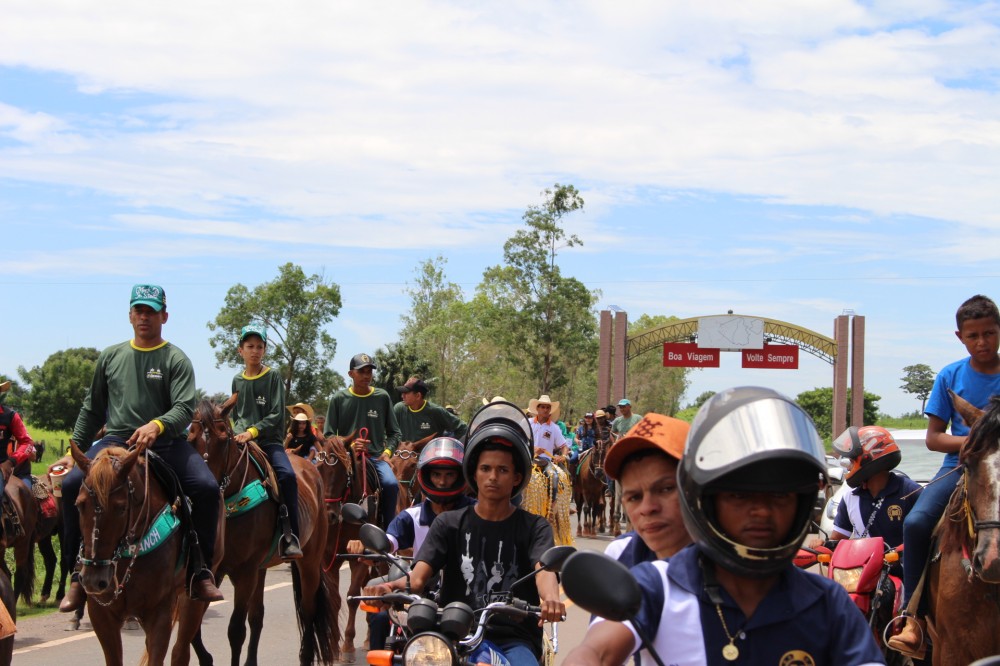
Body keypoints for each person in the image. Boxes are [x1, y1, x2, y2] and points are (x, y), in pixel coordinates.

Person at [564, 386, 884, 666]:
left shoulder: (827, 602)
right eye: (738, 494)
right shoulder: (654, 586)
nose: (760, 510)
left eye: (780, 494)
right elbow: (597, 651)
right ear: (707, 497)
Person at [54, 284, 224, 612]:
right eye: (139, 311)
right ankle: (76, 576)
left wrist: (157, 425)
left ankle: (199, 571)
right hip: (116, 439)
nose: (144, 317)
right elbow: (92, 408)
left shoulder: (175, 358)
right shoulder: (111, 357)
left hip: (166, 442)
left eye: (151, 311)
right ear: (130, 315)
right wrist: (74, 448)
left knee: (205, 488)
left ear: (164, 316)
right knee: (75, 484)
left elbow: (184, 408)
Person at [365, 401, 565, 666]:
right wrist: (388, 588)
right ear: (474, 473)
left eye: (502, 470)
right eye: (485, 469)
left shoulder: (535, 527)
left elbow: (545, 570)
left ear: (517, 478)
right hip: (453, 634)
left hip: (513, 637)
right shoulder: (449, 523)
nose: (493, 477)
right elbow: (419, 576)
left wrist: (550, 599)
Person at [888, 294, 1000, 658]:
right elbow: (934, 438)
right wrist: (974, 441)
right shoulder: (950, 376)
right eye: (974, 336)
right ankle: (912, 618)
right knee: (917, 522)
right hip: (960, 466)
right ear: (960, 337)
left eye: (989, 333)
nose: (982, 342)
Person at [346, 436, 475, 649]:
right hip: (420, 593)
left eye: (450, 474)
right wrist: (366, 545)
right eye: (436, 474)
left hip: (470, 595)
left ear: (461, 476)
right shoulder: (411, 516)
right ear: (426, 475)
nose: (442, 481)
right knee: (380, 620)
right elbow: (389, 541)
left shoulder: (476, 513)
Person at [231, 324, 302, 559]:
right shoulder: (237, 380)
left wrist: (252, 432)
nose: (255, 351)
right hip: (241, 441)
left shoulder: (272, 376)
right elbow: (235, 415)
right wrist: (237, 433)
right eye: (250, 346)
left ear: (264, 351)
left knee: (287, 476)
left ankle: (291, 535)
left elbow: (276, 415)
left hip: (268, 442)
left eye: (259, 347)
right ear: (240, 350)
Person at [808, 427, 920, 571]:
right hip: (863, 573)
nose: (847, 465)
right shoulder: (850, 497)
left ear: (869, 458)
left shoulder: (910, 491)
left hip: (903, 575)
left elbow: (927, 536)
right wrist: (822, 544)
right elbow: (838, 540)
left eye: (851, 460)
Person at [602, 412, 692, 567]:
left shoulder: (734, 572)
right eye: (634, 497)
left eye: (665, 489)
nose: (647, 508)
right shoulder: (618, 555)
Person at [325, 353, 401, 527]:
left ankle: (388, 532)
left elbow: (395, 433)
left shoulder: (382, 397)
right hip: (345, 459)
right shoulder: (338, 399)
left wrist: (387, 453)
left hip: (375, 457)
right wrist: (350, 445)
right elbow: (329, 435)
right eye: (362, 372)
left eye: (369, 372)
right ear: (351, 374)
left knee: (391, 484)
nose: (367, 376)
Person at [393, 376, 468, 447]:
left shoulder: (436, 411)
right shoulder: (399, 409)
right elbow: (389, 432)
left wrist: (450, 446)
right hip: (404, 457)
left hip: (429, 457)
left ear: (418, 396)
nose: (402, 396)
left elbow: (463, 428)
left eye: (406, 393)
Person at [0, 380, 35, 499]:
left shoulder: (9, 416)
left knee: (26, 495)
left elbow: (28, 443)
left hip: (10, 470)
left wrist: (11, 461)